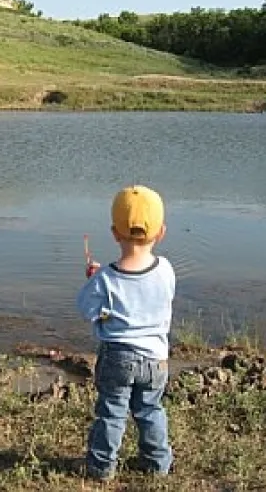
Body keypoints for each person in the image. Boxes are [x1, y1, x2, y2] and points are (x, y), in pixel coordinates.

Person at [76, 185, 175, 480]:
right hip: (156, 360)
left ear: (114, 233)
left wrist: (94, 279)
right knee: (150, 410)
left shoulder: (106, 278)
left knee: (111, 413)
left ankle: (101, 467)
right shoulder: (166, 269)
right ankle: (157, 464)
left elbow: (86, 309)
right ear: (161, 232)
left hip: (118, 358)